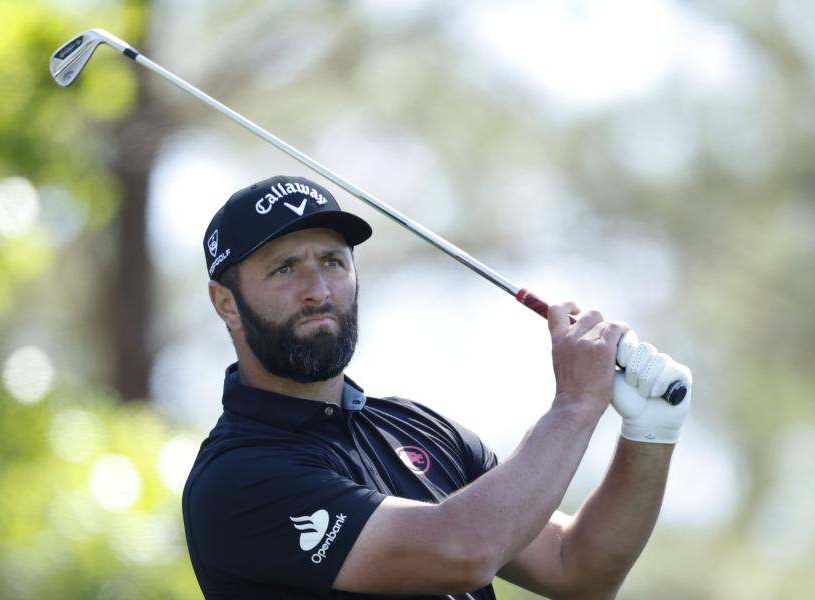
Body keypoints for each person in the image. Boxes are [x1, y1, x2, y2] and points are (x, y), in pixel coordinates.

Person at [182, 175, 693, 599]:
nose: (318, 291)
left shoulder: (423, 431)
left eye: (333, 262)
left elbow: (578, 568)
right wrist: (577, 403)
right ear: (226, 303)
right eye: (285, 268)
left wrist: (651, 433)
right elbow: (464, 549)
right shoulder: (238, 478)